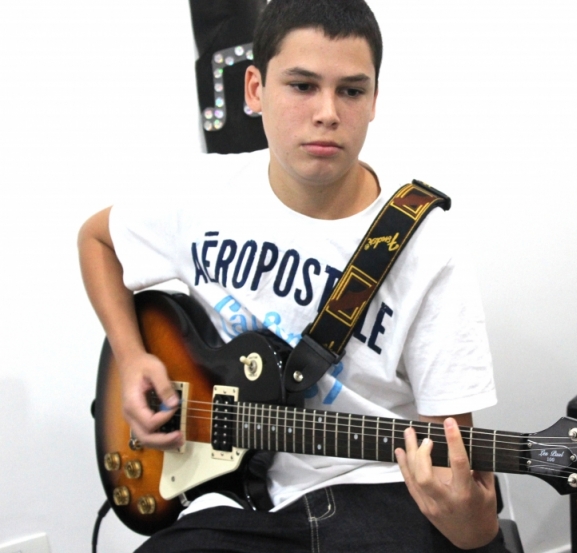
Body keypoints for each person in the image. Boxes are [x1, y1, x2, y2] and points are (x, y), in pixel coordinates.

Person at [78, 0, 505, 550]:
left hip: (377, 490)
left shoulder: (426, 247)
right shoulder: (203, 195)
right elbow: (96, 240)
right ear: (254, 89)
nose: (327, 112)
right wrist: (133, 356)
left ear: (374, 99)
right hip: (240, 500)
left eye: (351, 90)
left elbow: (467, 512)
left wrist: (469, 517)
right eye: (302, 86)